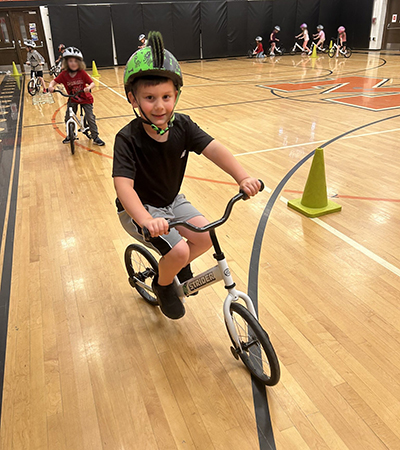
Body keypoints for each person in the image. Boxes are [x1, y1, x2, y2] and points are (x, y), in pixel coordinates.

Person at [113, 31, 261, 320]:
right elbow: (124, 188)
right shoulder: (127, 139)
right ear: (133, 98)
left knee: (205, 237)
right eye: (150, 98)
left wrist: (242, 177)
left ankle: (172, 266)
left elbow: (214, 149)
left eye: (166, 97)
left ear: (176, 96)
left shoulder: (183, 126)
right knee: (180, 252)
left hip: (172, 201)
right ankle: (163, 284)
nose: (160, 106)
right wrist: (146, 220)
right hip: (140, 211)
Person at [47, 46, 105, 146]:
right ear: (66, 62)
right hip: (73, 98)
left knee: (90, 117)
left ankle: (95, 137)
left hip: (85, 99)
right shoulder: (64, 74)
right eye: (70, 61)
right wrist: (50, 86)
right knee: (68, 116)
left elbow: (92, 83)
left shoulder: (82, 73)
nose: (73, 63)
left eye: (75, 61)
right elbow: (54, 81)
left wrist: (88, 88)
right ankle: (70, 135)